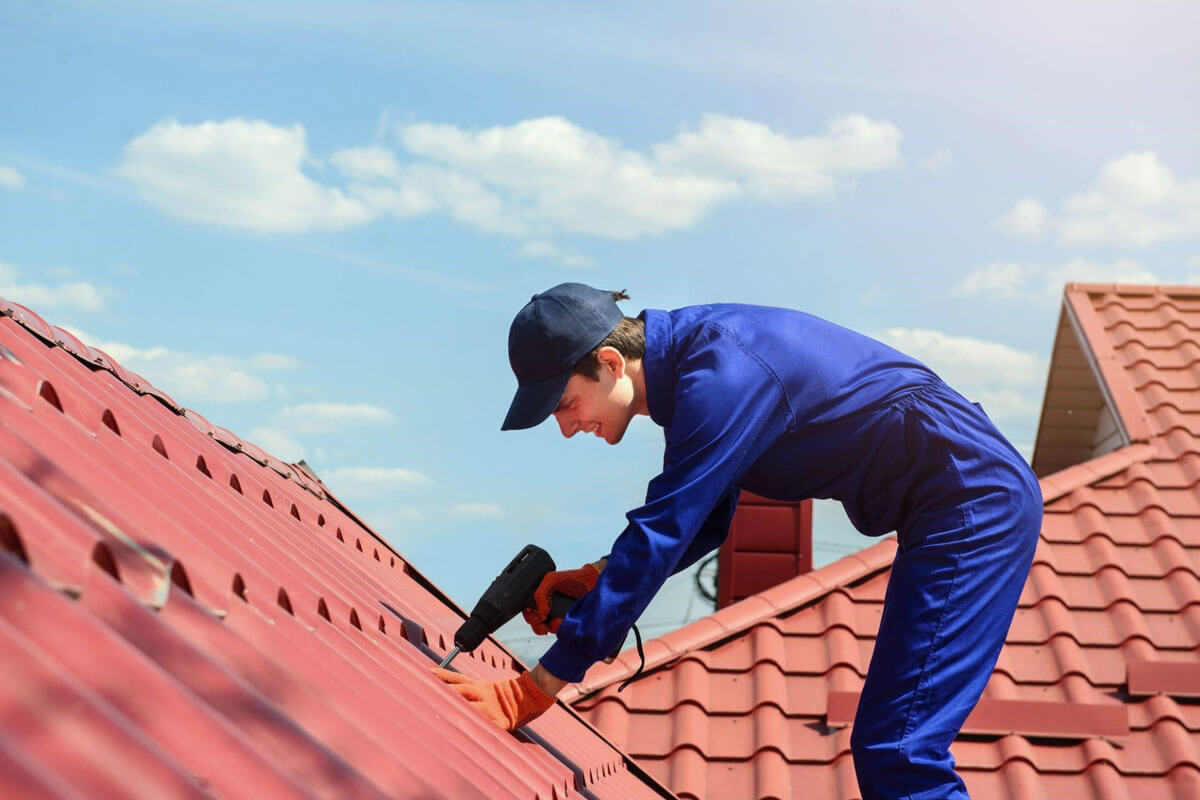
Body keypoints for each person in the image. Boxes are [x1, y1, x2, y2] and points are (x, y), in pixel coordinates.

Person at [433, 283, 1041, 799]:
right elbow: (703, 519)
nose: (567, 429)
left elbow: (663, 531)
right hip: (951, 503)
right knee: (893, 743)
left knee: (899, 746)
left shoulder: (721, 375)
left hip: (972, 500)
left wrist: (531, 691)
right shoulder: (695, 375)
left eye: (566, 404)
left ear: (612, 364)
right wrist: (596, 577)